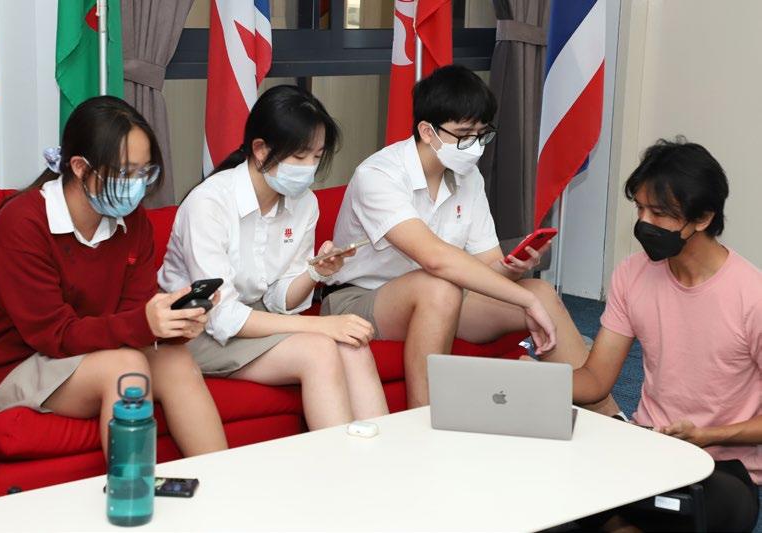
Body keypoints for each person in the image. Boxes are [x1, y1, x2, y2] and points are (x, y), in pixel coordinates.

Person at [320, 64, 620, 415]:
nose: (475, 146)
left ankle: (610, 417)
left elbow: (486, 264)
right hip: (361, 300)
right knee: (440, 287)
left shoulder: (468, 176)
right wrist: (521, 298)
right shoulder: (378, 175)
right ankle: (423, 420)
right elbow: (436, 259)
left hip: (444, 297)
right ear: (427, 131)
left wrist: (512, 268)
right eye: (464, 135)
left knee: (540, 292)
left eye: (481, 134)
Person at [0, 96, 228, 458]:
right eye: (125, 173)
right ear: (80, 167)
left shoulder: (133, 223)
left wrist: (173, 324)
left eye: (144, 172)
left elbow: (127, 317)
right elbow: (55, 335)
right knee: (126, 369)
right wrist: (144, 324)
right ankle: (132, 488)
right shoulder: (22, 224)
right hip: (6, 365)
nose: (137, 186)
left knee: (177, 362)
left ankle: (222, 483)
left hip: (84, 349)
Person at [159, 85, 389, 430]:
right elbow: (223, 317)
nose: (309, 168)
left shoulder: (305, 204)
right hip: (197, 331)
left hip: (256, 319)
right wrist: (322, 325)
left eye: (317, 157)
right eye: (300, 157)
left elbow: (280, 299)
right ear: (260, 149)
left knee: (352, 345)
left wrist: (316, 273)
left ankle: (387, 457)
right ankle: (341, 463)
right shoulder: (209, 204)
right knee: (319, 350)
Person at [574, 138, 760, 532]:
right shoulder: (631, 274)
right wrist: (536, 383)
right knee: (557, 491)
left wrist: (707, 435)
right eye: (640, 209)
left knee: (702, 511)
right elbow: (595, 380)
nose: (644, 223)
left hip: (721, 466)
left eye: (658, 213)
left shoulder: (752, 296)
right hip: (648, 446)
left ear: (703, 218)